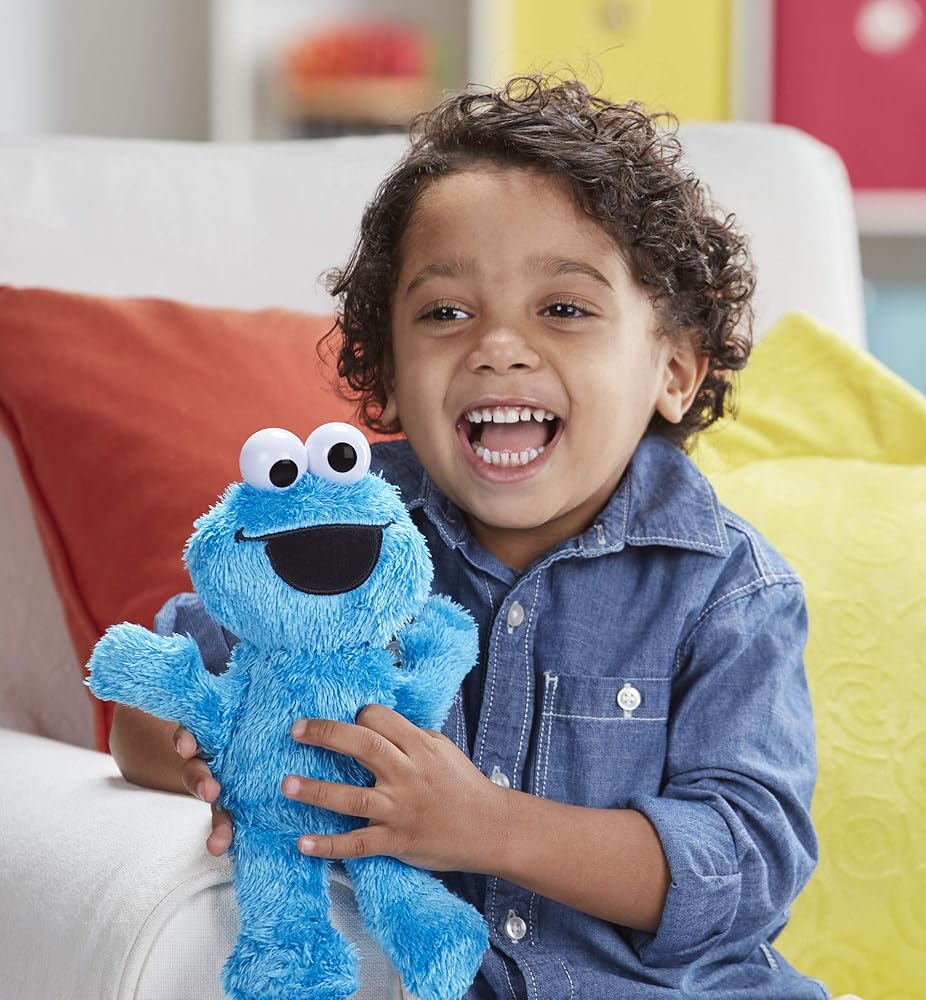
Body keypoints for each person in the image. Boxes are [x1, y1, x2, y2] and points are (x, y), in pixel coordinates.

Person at [109, 76, 829, 998]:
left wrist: (488, 826)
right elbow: (147, 699)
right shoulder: (337, 533)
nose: (497, 346)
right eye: (446, 313)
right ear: (387, 375)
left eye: (564, 309)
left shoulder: (729, 589)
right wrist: (199, 755)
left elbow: (745, 865)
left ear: (674, 372)